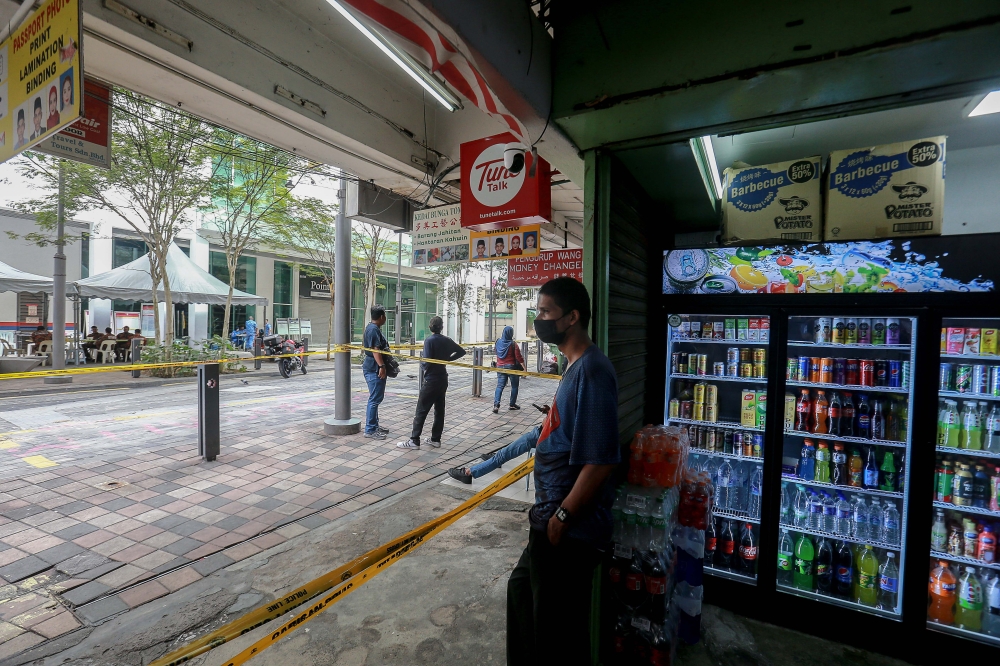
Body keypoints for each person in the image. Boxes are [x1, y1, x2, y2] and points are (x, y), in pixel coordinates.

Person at [506, 277, 620, 664]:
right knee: (522, 597)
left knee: (557, 635)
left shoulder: (592, 371)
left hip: (569, 529)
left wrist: (563, 516)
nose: (539, 320)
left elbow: (601, 460)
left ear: (572, 317)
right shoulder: (574, 366)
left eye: (545, 312)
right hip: (550, 520)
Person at [397, 316, 466, 450]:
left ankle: (414, 440)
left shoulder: (429, 341)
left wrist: (422, 365)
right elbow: (461, 351)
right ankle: (435, 439)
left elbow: (427, 362)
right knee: (439, 410)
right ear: (442, 327)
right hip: (442, 378)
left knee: (421, 410)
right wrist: (448, 360)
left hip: (431, 380)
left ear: (430, 327)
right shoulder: (447, 340)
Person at [449, 424, 541, 484]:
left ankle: (468, 473)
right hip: (540, 435)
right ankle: (496, 460)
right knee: (507, 451)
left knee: (502, 455)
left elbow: (549, 422)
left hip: (539, 437)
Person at [363, 305, 389, 440]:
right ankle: (370, 430)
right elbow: (375, 350)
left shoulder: (372, 328)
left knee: (376, 398)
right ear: (381, 317)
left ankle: (374, 425)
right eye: (384, 316)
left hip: (372, 366)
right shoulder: (373, 330)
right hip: (374, 368)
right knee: (374, 399)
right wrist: (382, 366)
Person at [493, 326, 524, 414]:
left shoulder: (497, 342)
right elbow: (519, 357)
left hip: (500, 367)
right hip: (511, 368)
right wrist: (524, 368)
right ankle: (512, 404)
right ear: (511, 333)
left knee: (499, 386)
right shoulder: (513, 344)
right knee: (514, 386)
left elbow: (496, 352)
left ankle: (496, 405)